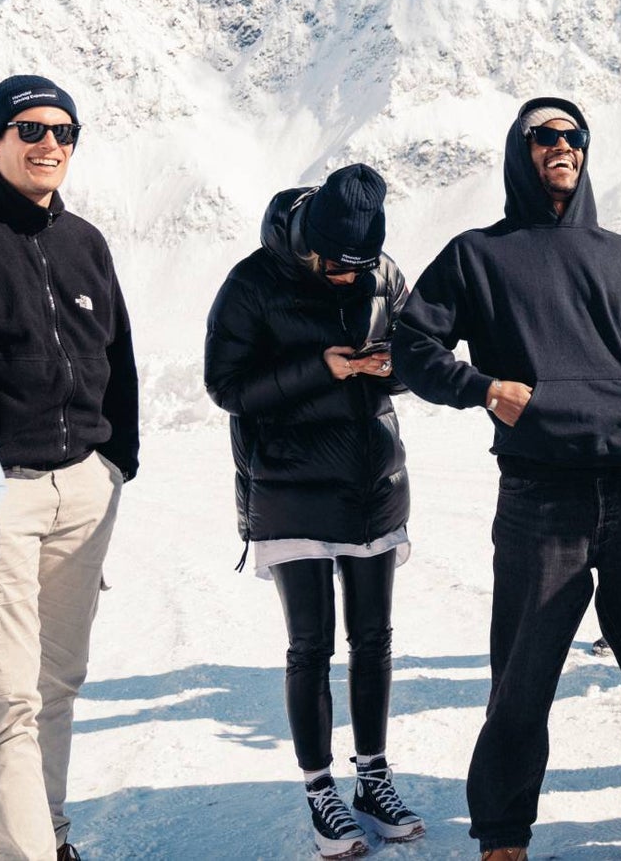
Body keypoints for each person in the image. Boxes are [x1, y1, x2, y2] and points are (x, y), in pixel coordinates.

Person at [391, 98, 621, 861]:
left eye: (573, 136)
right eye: (544, 136)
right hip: (542, 495)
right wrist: (483, 388)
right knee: (523, 672)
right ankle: (504, 837)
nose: (562, 146)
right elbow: (412, 344)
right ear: (520, 151)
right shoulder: (480, 254)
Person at [0, 74, 139, 861]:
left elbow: (118, 357)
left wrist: (115, 462)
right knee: (5, 695)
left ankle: (48, 834)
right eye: (31, 129)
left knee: (60, 680)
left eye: (64, 132)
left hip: (83, 485)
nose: (50, 144)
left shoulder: (86, 241)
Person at [204, 164, 424, 857]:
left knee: (375, 639)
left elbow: (421, 359)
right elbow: (225, 386)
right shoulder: (251, 282)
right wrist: (318, 369)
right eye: (333, 265)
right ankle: (320, 788)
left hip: (372, 483)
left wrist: (389, 366)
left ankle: (373, 777)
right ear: (308, 241)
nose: (343, 277)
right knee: (311, 645)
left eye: (356, 267)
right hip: (290, 489)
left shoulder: (381, 274)